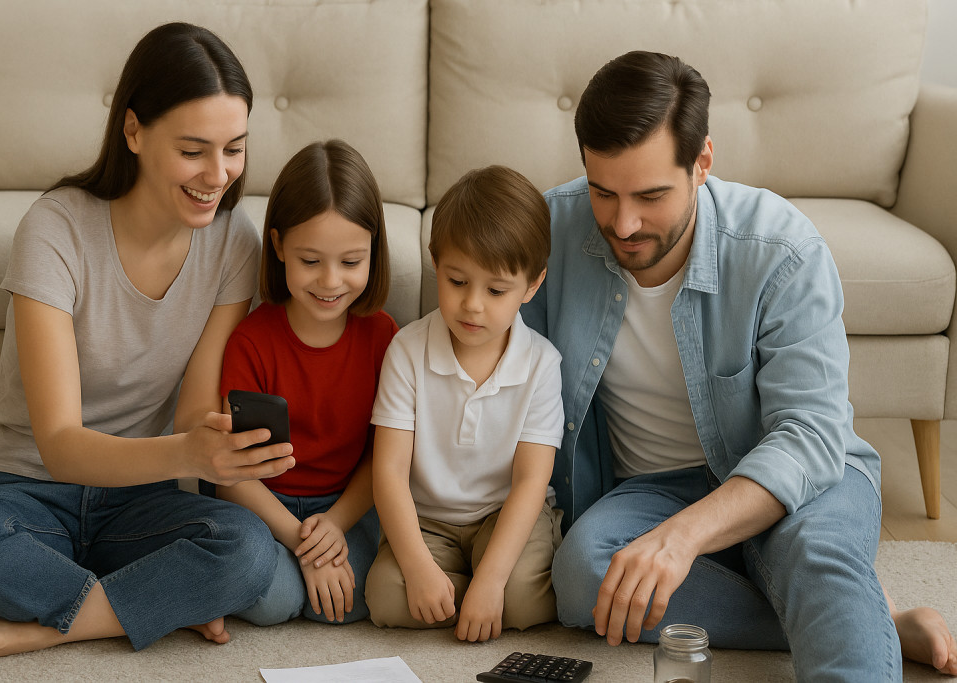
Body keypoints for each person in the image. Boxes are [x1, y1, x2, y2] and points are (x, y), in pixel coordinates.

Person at [523, 50, 957, 679]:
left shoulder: (782, 249)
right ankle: (871, 619)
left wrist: (686, 538)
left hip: (793, 475)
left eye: (650, 195)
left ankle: (836, 606)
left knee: (818, 555)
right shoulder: (550, 232)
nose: (624, 223)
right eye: (602, 191)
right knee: (584, 572)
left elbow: (809, 435)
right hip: (649, 489)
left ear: (702, 162)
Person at [0, 23, 294, 670]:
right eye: (194, 151)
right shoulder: (56, 228)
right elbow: (60, 443)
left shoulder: (232, 240)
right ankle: (144, 602)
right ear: (133, 132)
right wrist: (189, 453)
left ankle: (30, 630)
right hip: (25, 489)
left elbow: (189, 415)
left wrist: (218, 448)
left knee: (247, 547)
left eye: (234, 148)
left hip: (137, 497)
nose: (219, 174)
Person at [366, 165, 564, 642]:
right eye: (457, 282)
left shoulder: (541, 363)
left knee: (521, 596)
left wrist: (493, 581)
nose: (473, 305)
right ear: (436, 263)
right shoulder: (407, 351)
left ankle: (482, 592)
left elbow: (531, 481)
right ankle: (463, 594)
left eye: (496, 291)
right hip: (428, 519)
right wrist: (417, 568)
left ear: (531, 287)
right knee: (386, 597)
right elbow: (389, 472)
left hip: (505, 513)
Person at [216, 139, 397, 626]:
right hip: (264, 509)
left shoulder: (382, 337)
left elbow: (385, 456)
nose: (331, 282)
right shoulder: (251, 342)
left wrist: (333, 527)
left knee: (356, 601)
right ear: (277, 246)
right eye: (311, 261)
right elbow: (234, 476)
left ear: (373, 251)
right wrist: (302, 541)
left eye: (351, 262)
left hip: (345, 506)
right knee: (271, 600)